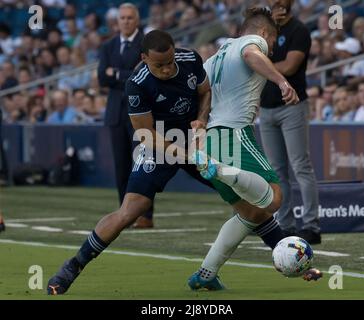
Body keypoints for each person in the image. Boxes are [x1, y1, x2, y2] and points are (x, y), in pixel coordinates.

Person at [46, 30, 214, 295]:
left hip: (196, 139)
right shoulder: (137, 83)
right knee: (131, 210)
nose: (169, 69)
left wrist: (202, 120)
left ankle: (277, 251)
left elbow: (205, 92)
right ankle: (74, 265)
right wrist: (186, 154)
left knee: (239, 191)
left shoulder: (191, 58)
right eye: (160, 65)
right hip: (160, 142)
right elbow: (147, 137)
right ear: (144, 58)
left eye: (171, 62)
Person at [187, 7, 321, 291]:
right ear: (263, 33)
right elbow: (252, 55)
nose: (270, 49)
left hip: (211, 139)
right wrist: (282, 81)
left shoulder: (218, 54)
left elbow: (205, 90)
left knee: (250, 213)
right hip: (234, 134)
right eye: (272, 43)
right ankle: (221, 170)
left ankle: (206, 272)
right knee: (273, 197)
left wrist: (200, 120)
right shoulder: (253, 43)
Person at [259, 0, 321, 244]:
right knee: (276, 171)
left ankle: (311, 225)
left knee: (300, 165)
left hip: (292, 107)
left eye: (283, 2)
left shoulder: (299, 31)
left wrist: (260, 66)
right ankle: (285, 224)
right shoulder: (263, 32)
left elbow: (290, 65)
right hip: (266, 108)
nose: (279, 5)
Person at [98, 3, 153, 228]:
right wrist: (127, 75)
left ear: (137, 19)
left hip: (140, 112)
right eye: (122, 18)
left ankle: (145, 215)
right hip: (115, 113)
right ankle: (125, 214)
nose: (126, 21)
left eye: (130, 18)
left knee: (142, 164)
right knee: (121, 166)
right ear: (117, 21)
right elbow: (102, 77)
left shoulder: (146, 43)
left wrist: (117, 74)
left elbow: (146, 72)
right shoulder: (108, 46)